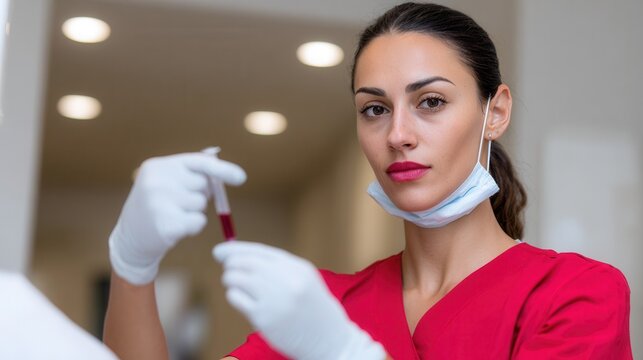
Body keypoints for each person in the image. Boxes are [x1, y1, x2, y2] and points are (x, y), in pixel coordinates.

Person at [103, 2, 633, 359]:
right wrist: (133, 264)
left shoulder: (575, 295)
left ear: (495, 112)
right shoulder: (323, 303)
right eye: (375, 109)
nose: (398, 134)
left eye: (431, 102)